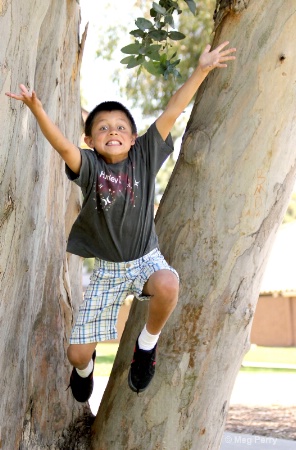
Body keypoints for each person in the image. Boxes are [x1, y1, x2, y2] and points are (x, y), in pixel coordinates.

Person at [6, 41, 236, 401]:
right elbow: (63, 147)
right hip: (107, 271)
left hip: (145, 259)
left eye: (119, 127)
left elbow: (174, 108)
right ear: (90, 140)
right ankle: (86, 367)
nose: (111, 131)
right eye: (102, 128)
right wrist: (36, 108)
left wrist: (202, 69)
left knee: (168, 284)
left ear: (132, 138)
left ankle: (146, 348)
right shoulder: (91, 167)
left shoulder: (144, 155)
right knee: (75, 353)